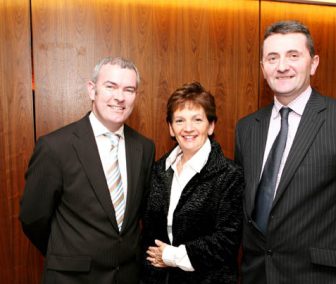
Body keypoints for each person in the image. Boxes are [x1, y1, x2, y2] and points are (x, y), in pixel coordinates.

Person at [235, 20, 336, 283]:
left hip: (323, 276)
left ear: (314, 63)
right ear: (263, 69)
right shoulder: (247, 127)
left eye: (293, 55)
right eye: (272, 58)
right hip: (257, 274)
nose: (282, 66)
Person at [19, 56, 155, 284]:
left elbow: (142, 215)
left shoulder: (144, 147)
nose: (119, 97)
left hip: (128, 277)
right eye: (110, 86)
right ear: (92, 90)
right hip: (71, 277)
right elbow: (33, 218)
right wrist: (69, 255)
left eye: (129, 90)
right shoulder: (55, 147)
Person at [141, 81, 244, 283]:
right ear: (171, 128)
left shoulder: (230, 175)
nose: (188, 128)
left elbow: (227, 241)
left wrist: (171, 256)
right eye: (179, 121)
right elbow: (148, 235)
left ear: (211, 125)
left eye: (197, 119)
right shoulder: (157, 171)